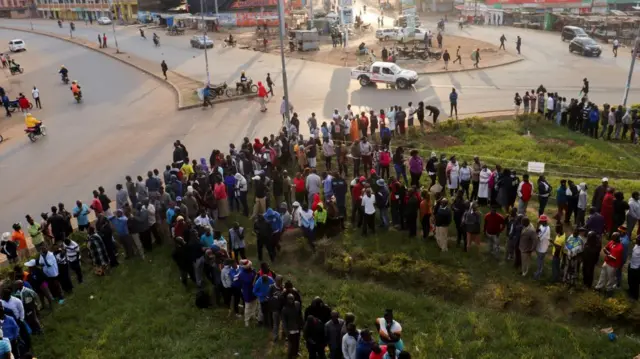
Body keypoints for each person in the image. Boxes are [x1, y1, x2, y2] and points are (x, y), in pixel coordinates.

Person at [281, 294, 303, 359]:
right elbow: (284, 322)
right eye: (289, 299)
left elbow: (300, 315)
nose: (291, 300)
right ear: (287, 300)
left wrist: (302, 324)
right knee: (291, 344)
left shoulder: (297, 305)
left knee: (297, 342)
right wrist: (286, 331)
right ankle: (290, 356)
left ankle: (295, 353)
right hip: (290, 329)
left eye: (292, 299)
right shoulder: (284, 309)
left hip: (297, 327)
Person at [534, 215, 550, 280]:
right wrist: (537, 225)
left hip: (542, 248)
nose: (540, 222)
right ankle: (539, 271)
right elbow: (537, 231)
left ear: (544, 221)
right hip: (539, 246)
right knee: (540, 260)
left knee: (539, 261)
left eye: (541, 221)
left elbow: (538, 237)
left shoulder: (546, 229)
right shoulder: (541, 226)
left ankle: (538, 275)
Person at [628, 234, 640, 300]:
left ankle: (635, 296)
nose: (636, 240)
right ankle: (630, 291)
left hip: (637, 269)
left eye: (637, 240)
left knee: (635, 283)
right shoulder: (636, 245)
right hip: (631, 265)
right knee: (630, 280)